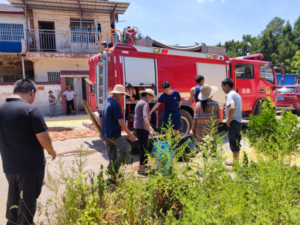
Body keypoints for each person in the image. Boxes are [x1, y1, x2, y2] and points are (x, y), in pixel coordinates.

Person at [0, 79, 56, 225]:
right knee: (27, 204)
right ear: (32, 92)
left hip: (9, 167)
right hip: (30, 168)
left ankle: (12, 222)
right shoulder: (30, 110)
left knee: (15, 200)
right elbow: (43, 139)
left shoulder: (1, 109)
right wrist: (52, 151)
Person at [99, 84, 136, 176]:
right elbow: (121, 122)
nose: (123, 97)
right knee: (127, 149)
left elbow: (100, 118)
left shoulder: (106, 102)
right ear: (116, 94)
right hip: (114, 133)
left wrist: (101, 132)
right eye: (122, 94)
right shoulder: (115, 104)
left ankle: (113, 176)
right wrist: (130, 135)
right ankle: (112, 170)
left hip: (106, 134)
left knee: (112, 156)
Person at [134, 89, 157, 174]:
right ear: (148, 95)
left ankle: (143, 165)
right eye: (151, 97)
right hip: (142, 128)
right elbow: (145, 117)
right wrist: (150, 129)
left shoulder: (140, 101)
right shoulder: (145, 103)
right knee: (144, 147)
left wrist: (149, 128)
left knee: (144, 146)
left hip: (139, 127)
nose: (152, 99)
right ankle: (141, 168)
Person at [221, 78, 242, 166]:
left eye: (222, 86)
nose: (222, 89)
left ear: (227, 86)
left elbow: (232, 107)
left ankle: (236, 163)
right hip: (238, 122)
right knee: (236, 141)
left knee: (233, 142)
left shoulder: (230, 95)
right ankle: (235, 161)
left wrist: (229, 119)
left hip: (233, 122)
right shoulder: (237, 95)